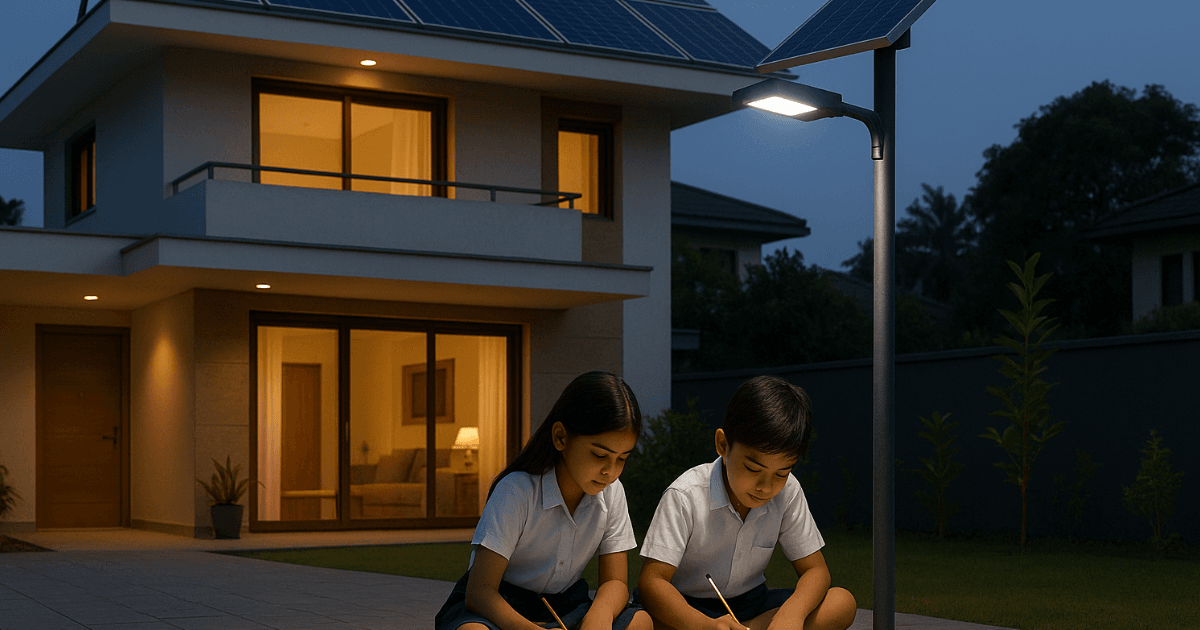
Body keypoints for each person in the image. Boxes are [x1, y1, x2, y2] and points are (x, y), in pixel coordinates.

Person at [435, 371, 653, 630]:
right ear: (561, 437)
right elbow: (480, 591)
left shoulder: (612, 492)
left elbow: (615, 582)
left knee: (640, 622)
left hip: (566, 605)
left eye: (622, 458)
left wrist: (599, 618)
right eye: (599, 455)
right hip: (500, 606)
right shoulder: (517, 491)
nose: (611, 471)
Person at [636, 375, 856, 630]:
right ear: (723, 445)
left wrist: (791, 615)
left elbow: (815, 571)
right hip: (688, 608)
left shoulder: (788, 491)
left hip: (752, 604)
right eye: (753, 469)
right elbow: (652, 582)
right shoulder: (685, 495)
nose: (765, 487)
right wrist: (705, 626)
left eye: (781, 473)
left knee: (841, 602)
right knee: (646, 621)